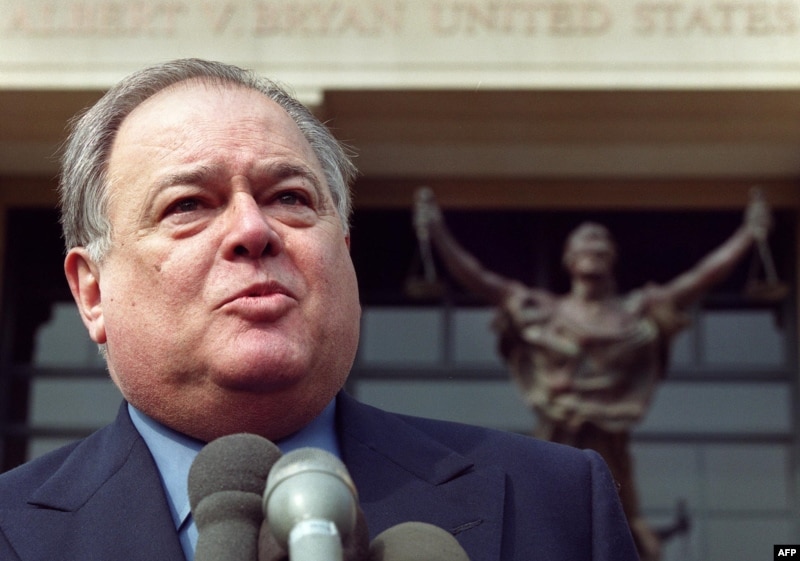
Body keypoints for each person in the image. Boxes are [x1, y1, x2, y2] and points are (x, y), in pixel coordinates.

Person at [0, 59, 638, 561]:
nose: (253, 229)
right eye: (188, 204)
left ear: (345, 257)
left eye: (290, 197)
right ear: (92, 293)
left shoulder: (556, 503)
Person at [413, 186, 774, 561]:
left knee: (620, 518)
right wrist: (436, 231)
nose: (593, 249)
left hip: (609, 436)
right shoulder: (545, 311)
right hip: (556, 432)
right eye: (585, 245)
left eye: (601, 246)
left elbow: (699, 279)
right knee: (542, 515)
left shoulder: (633, 312)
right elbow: (479, 278)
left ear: (611, 259)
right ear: (569, 259)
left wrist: (749, 235)